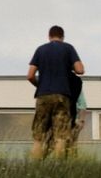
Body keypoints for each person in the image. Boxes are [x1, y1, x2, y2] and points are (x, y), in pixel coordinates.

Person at [28, 24, 85, 159]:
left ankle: (35, 165)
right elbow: (80, 70)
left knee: (39, 136)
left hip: (43, 95)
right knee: (61, 135)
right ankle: (58, 166)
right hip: (62, 95)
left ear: (49, 36)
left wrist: (39, 85)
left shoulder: (40, 50)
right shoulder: (68, 48)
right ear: (62, 37)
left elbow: (30, 75)